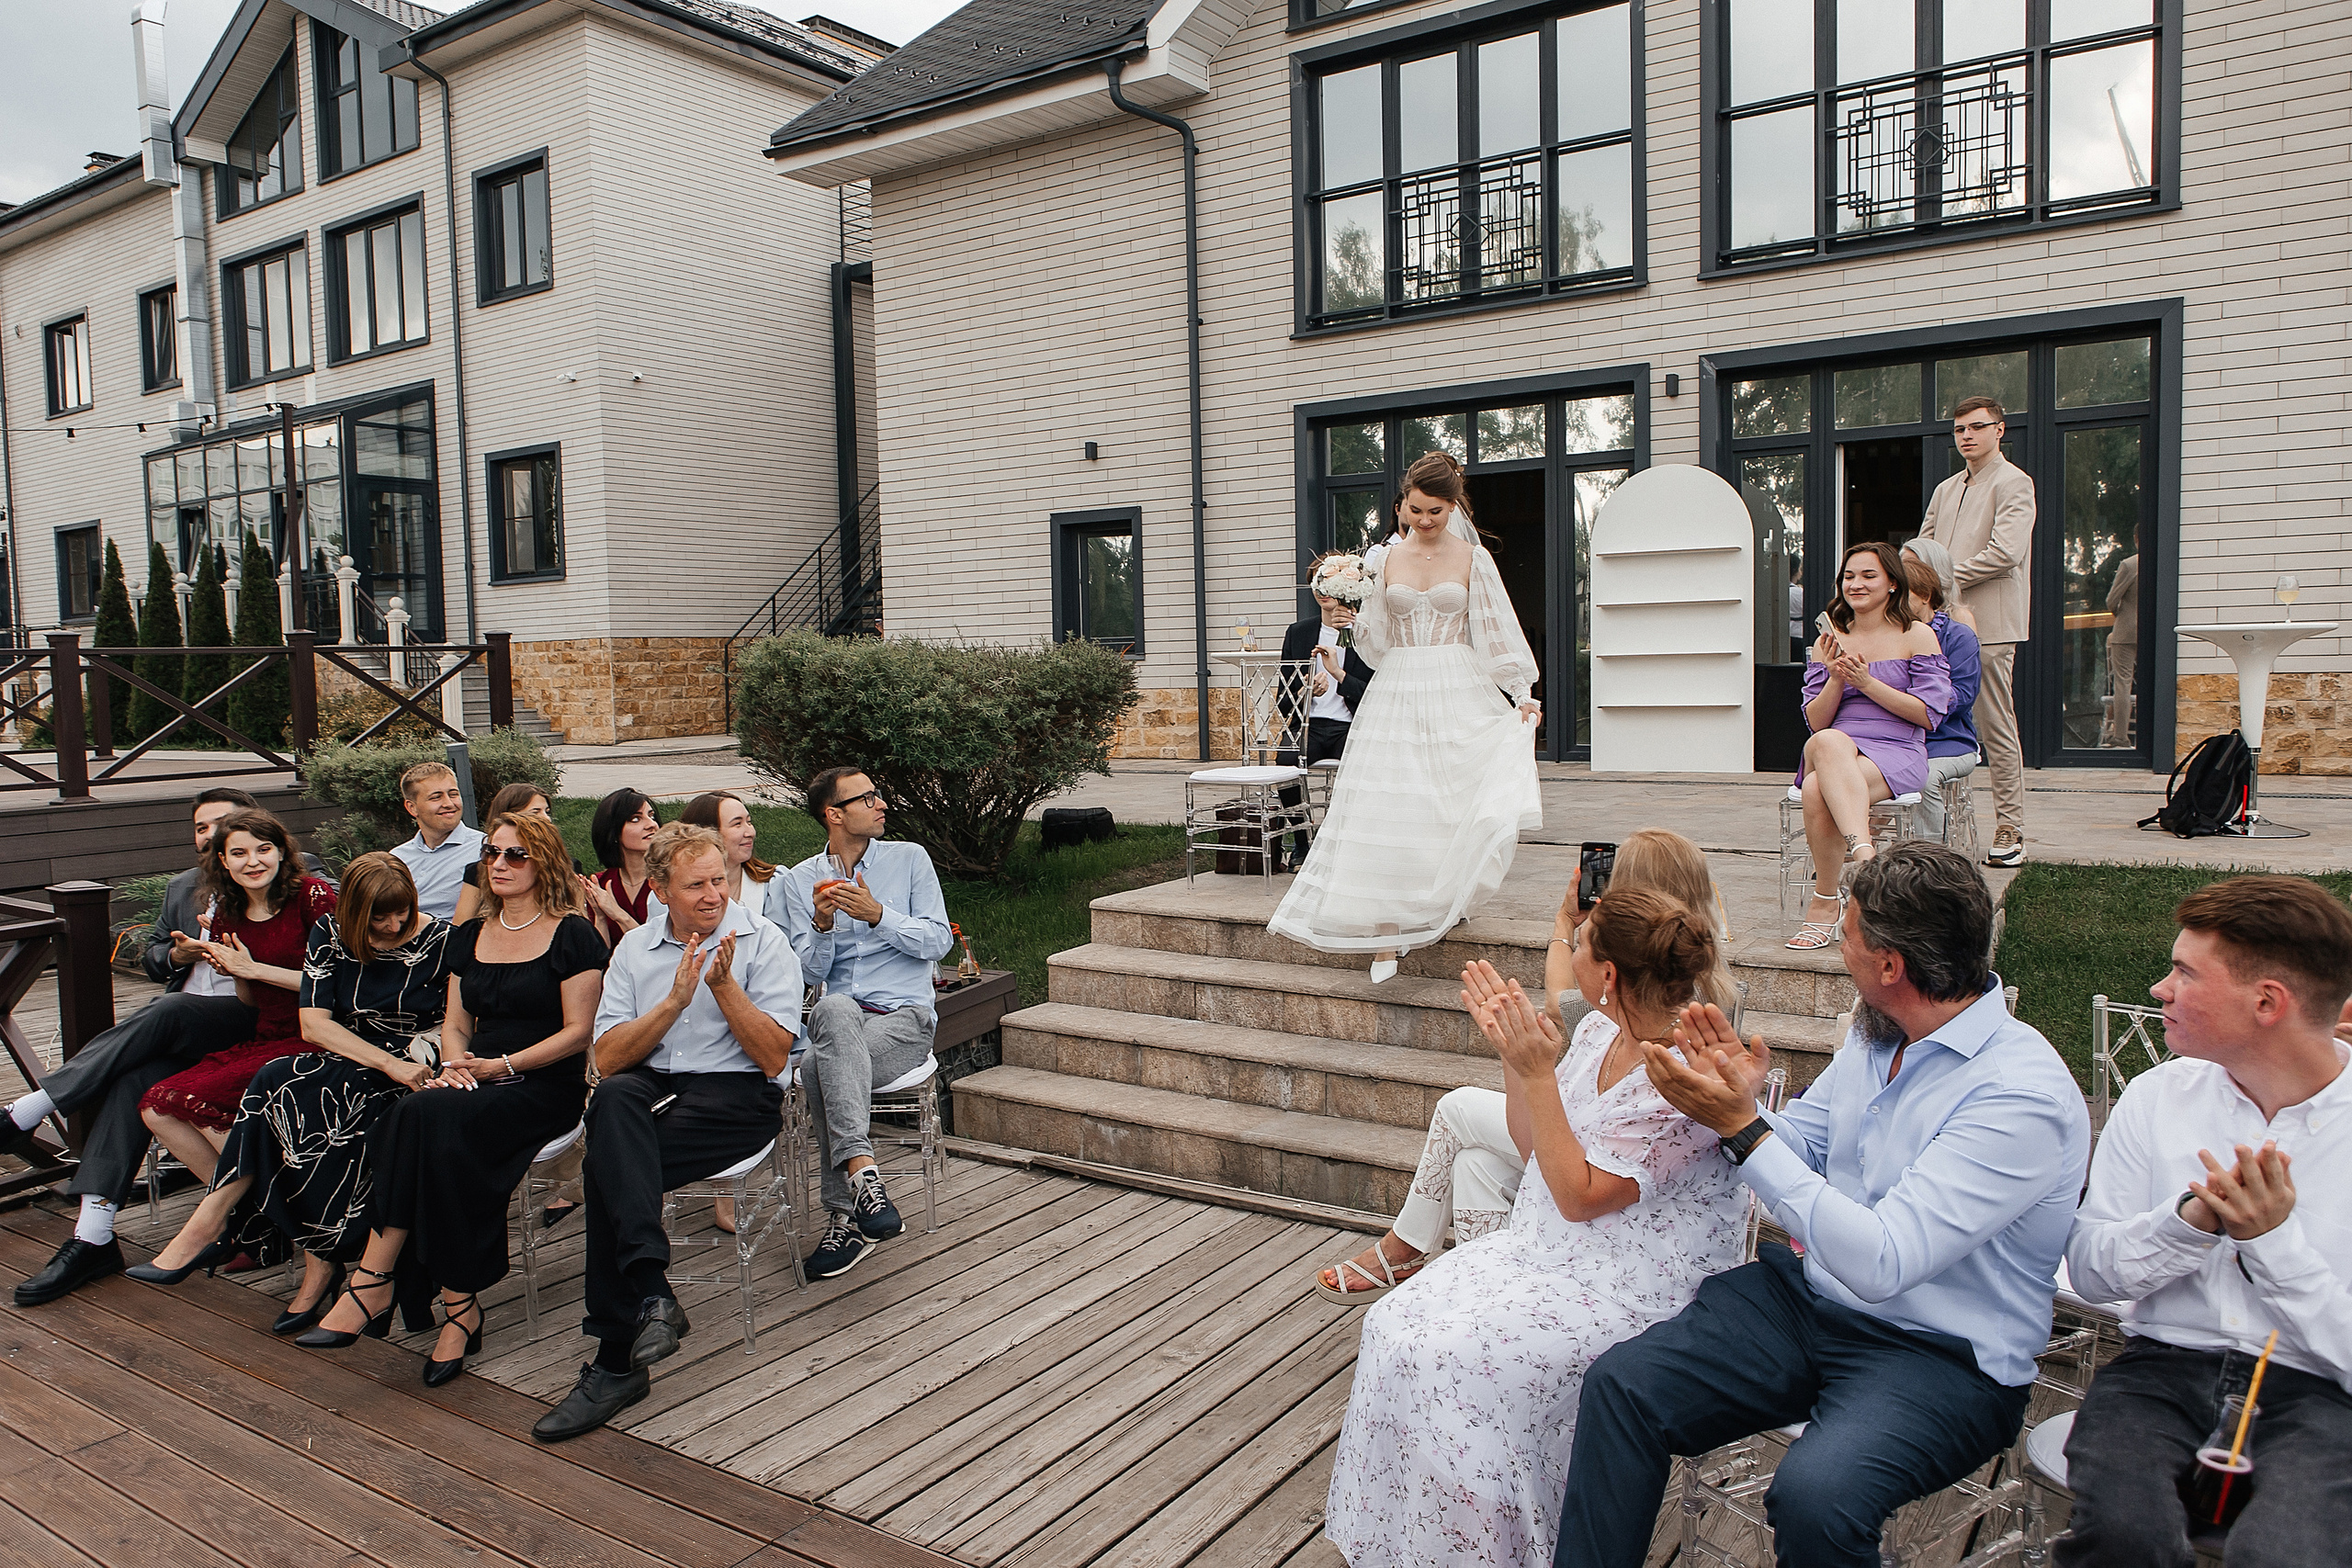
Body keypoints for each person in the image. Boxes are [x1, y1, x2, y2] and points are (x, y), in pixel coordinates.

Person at [1557, 841, 2088, 1568]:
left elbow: (1884, 1259)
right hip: (1812, 1302)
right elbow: (1798, 1144)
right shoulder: (1879, 1037)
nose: (1839, 938)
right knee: (1622, 1385)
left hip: (1942, 1357)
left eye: (1848, 927)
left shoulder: (2018, 1096)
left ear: (1890, 964)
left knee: (1816, 1495)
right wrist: (1738, 1102)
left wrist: (1741, 1127)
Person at [1325, 888, 1747, 1565]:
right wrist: (1517, 1060)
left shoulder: (1682, 1075)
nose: (1570, 952)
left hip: (1629, 1288)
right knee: (1395, 1326)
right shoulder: (1599, 1033)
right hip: (1543, 1256)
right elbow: (1534, 1150)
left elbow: (1581, 1195)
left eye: (1581, 943)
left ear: (1608, 974)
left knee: (1459, 1362)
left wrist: (1535, 1070)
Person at [2057, 875, 2352, 1566]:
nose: (2160, 988)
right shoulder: (2158, 1096)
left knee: (2287, 1554)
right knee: (2124, 1536)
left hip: (2318, 1391)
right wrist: (2191, 1222)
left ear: (2268, 1002)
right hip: (2161, 1371)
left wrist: (2273, 1242)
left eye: (2185, 973)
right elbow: (2095, 1271)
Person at [1310, 829, 1736, 1303]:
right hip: (1582, 1148)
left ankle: (1404, 1248)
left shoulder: (1645, 1008)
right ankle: (1483, 1295)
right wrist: (1516, 1055)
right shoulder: (1704, 981)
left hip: (1605, 1183)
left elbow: (1561, 1004)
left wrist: (1564, 924)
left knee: (1455, 1110)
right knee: (1475, 1165)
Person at [300, 813, 606, 1382]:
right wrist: (454, 1065)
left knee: (423, 1121)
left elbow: (577, 1032)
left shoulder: (573, 933)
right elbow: (456, 1023)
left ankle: (378, 1284)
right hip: (474, 1074)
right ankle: (456, 1306)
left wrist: (503, 1065)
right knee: (415, 1116)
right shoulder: (469, 935)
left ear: (544, 861)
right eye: (492, 854)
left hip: (542, 1083)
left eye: (516, 855)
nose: (500, 865)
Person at [535, 822, 801, 1443]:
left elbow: (772, 1058)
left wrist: (723, 988)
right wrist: (673, 1003)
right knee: (619, 1100)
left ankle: (614, 1361)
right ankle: (649, 1298)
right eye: (697, 884)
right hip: (653, 1091)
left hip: (736, 1099)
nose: (715, 894)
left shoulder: (763, 941)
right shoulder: (633, 952)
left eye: (720, 880)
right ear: (660, 890)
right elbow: (607, 1058)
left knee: (606, 1163)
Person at [128, 854, 457, 1339]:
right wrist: (382, 1061)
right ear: (353, 914)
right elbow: (314, 1022)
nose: (391, 926)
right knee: (272, 1078)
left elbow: (457, 1025)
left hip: (416, 1059)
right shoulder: (331, 932)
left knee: (324, 1115)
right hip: (355, 1050)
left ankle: (291, 1251)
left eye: (400, 914)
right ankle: (220, 1222)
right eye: (378, 919)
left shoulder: (444, 940)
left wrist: (403, 1065)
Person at [1271, 450, 1542, 983]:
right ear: (1404, 504)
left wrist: (1521, 691)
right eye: (1415, 510)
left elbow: (1496, 629)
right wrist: (1352, 621)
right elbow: (1375, 645)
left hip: (1457, 685)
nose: (1423, 521)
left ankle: (1444, 899)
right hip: (1397, 687)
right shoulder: (1382, 560)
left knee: (1446, 801)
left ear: (1452, 506)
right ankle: (1387, 936)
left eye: (1436, 511)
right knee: (1390, 802)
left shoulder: (1473, 558)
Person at [6, 789, 276, 1306]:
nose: (213, 834)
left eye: (225, 824)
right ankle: (93, 1236)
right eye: (202, 828)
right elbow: (152, 959)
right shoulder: (183, 887)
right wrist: (177, 953)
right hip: (190, 1025)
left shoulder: (289, 874)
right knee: (135, 1077)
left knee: (164, 1012)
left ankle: (29, 1109)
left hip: (254, 1020)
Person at [769, 767, 954, 1280]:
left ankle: (844, 1213)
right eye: (867, 797)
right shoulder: (800, 881)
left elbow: (940, 942)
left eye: (878, 795)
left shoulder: (909, 859)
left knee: (816, 1070)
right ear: (834, 814)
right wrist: (822, 925)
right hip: (839, 1019)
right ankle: (863, 1184)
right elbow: (805, 976)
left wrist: (879, 916)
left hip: (904, 1019)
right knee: (832, 1009)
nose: (881, 804)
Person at [136, 811, 342, 1186]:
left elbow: (341, 985)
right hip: (269, 1034)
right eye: (239, 853)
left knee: (205, 1105)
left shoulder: (311, 897)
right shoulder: (227, 916)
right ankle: (248, 1214)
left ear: (281, 852)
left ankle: (270, 1209)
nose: (253, 862)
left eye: (264, 849)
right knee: (157, 1106)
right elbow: (251, 1001)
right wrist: (234, 973)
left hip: (321, 1034)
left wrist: (253, 969)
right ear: (223, 860)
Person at [1787, 541, 1951, 951]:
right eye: (1849, 576)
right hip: (1835, 747)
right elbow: (1815, 722)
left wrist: (1866, 682)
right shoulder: (1831, 639)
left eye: (1868, 575)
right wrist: (1838, 676)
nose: (1856, 584)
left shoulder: (1918, 635)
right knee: (1826, 740)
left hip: (1896, 748)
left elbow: (1929, 715)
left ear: (1893, 583)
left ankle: (1825, 903)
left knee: (1815, 789)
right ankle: (1866, 857)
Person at [1921, 396, 2036, 867]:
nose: (1966, 435)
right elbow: (1921, 549)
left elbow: (2005, 552)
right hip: (1937, 624)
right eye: (1959, 429)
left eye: (1976, 427)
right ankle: (1933, 822)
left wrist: (1943, 580)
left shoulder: (2014, 482)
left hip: (1989, 623)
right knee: (1930, 714)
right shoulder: (1947, 489)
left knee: (1995, 723)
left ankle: (2011, 825)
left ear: (1999, 430)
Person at [1274, 553, 1377, 873]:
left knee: (1364, 770)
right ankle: (1303, 844)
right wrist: (1305, 692)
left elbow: (1376, 696)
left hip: (1354, 726)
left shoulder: (1368, 634)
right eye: (1316, 582)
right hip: (1311, 726)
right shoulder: (1299, 633)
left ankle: (1343, 844)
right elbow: (1283, 700)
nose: (1321, 589)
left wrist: (1339, 677)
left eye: (1328, 582)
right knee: (1285, 762)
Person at [1899, 539, 1984, 842]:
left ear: (1924, 595)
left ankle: (1929, 865)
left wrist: (1915, 703)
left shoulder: (1958, 635)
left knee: (1922, 778)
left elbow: (1963, 695)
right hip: (1895, 737)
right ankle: (1854, 858)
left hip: (1948, 741)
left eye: (1900, 593)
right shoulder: (1887, 635)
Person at [390, 761, 486, 920]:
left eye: (453, 794)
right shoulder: (398, 858)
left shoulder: (485, 850)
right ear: (412, 808)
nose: (449, 804)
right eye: (436, 797)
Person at [452, 783, 560, 924]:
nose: (546, 819)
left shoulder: (563, 867)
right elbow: (460, 926)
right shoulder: (478, 871)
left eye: (547, 811)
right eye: (535, 812)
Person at [582, 787, 661, 947]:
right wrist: (600, 917)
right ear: (613, 832)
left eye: (651, 816)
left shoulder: (670, 879)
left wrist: (618, 915)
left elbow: (656, 952)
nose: (651, 825)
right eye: (636, 819)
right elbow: (599, 956)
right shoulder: (601, 883)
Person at [678, 790, 777, 907]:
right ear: (707, 833)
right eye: (737, 824)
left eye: (749, 822)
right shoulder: (672, 891)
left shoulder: (773, 885)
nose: (750, 832)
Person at [2100, 551, 2139, 750]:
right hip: (2153, 632)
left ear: (2136, 538)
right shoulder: (2164, 560)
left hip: (2126, 631)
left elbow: (2111, 600)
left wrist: (2120, 614)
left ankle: (2121, 737)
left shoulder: (2130, 564)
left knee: (2123, 683)